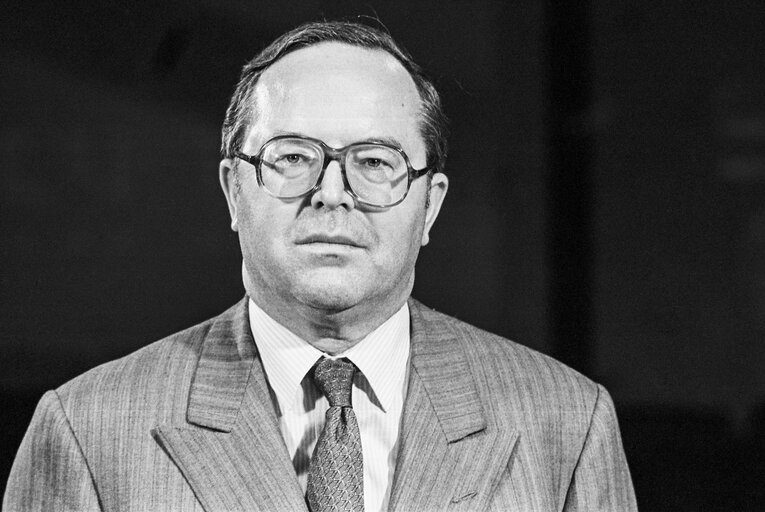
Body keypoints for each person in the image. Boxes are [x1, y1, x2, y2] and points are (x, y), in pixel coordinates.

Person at [3, 20, 637, 512]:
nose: (332, 191)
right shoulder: (89, 434)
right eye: (292, 157)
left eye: (375, 161)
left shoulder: (565, 424)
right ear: (233, 190)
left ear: (430, 206)